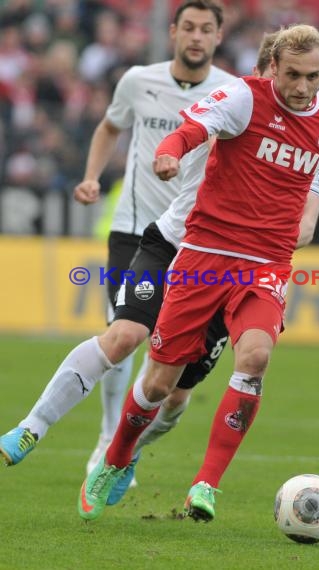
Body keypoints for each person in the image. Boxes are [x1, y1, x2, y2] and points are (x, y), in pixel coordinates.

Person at [0, 29, 319, 507]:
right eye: (280, 76)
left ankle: (127, 452)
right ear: (266, 73)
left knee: (170, 394)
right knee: (124, 336)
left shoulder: (292, 121)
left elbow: (311, 180)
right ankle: (31, 428)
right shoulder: (230, 99)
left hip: (235, 262)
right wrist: (127, 165)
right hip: (170, 240)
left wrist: (295, 228)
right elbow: (146, 129)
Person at [76, 23, 319, 523]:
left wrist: (306, 219)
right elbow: (194, 127)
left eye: (313, 77)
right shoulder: (244, 97)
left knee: (256, 356)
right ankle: (116, 457)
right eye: (292, 74)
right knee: (159, 385)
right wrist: (169, 152)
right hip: (204, 254)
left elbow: (313, 174)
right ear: (273, 68)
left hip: (266, 264)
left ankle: (206, 485)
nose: (302, 87)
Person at [75, 0, 234, 484]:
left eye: (206, 29)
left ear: (218, 38)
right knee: (124, 333)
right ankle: (107, 438)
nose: (196, 37)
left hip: (196, 238)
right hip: (136, 228)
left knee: (168, 367)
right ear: (173, 31)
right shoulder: (138, 79)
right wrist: (91, 177)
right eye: (188, 27)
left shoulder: (232, 93)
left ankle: (128, 444)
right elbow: (109, 127)